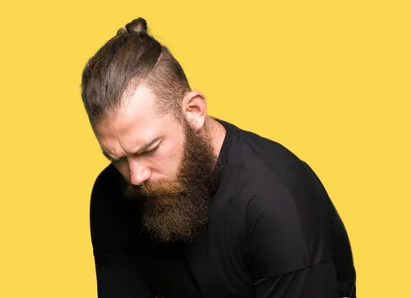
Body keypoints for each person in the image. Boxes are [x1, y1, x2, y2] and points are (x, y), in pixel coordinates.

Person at [80, 17, 356, 298]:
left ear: (194, 111)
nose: (135, 176)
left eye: (149, 149)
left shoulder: (273, 203)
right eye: (117, 158)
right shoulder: (111, 193)